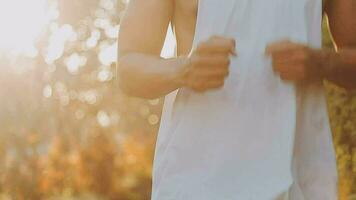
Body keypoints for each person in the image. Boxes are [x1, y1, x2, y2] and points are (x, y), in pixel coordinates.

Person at [117, 0, 356, 199]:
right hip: (192, 184)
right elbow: (127, 68)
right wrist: (185, 69)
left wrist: (321, 63)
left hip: (298, 183)